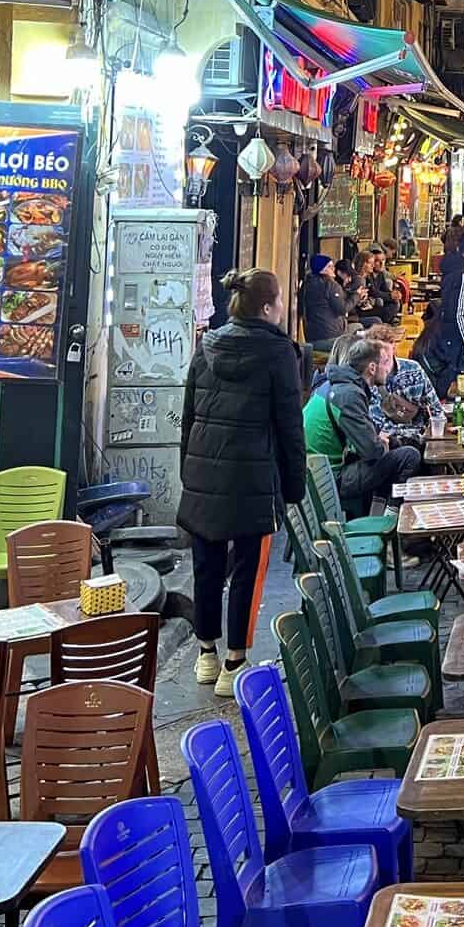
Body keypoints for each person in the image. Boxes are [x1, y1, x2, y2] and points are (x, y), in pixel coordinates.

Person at [178, 268, 305, 697]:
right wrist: (294, 486)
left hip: (203, 474)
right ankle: (235, 662)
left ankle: (205, 654)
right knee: (248, 572)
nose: (283, 307)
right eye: (281, 300)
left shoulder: (208, 344)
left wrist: (189, 473)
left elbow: (189, 414)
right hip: (253, 477)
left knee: (206, 568)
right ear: (268, 307)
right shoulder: (278, 351)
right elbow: (290, 425)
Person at [306, 333, 421, 516]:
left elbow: (366, 433)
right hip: (328, 478)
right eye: (385, 361)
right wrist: (382, 442)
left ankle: (377, 514)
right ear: (372, 368)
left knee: (394, 448)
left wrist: (385, 441)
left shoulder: (337, 385)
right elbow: (372, 451)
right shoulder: (348, 395)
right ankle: (390, 521)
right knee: (409, 456)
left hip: (318, 471)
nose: (389, 368)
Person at [361, 322, 446, 449]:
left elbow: (436, 410)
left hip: (421, 437)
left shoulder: (414, 369)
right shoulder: (368, 379)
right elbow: (379, 425)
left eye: (387, 355)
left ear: (394, 347)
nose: (383, 358)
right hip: (391, 442)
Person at [432, 229, 464, 396]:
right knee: (463, 390)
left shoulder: (451, 271)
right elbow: (458, 313)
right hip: (459, 343)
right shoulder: (463, 276)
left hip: (451, 340)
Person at [299, 254, 346, 348]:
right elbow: (341, 309)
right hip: (329, 337)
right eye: (329, 266)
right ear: (321, 269)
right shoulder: (330, 285)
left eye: (333, 266)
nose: (333, 269)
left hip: (312, 336)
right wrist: (356, 295)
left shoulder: (308, 283)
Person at [364, 247, 401, 324]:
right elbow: (373, 292)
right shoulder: (367, 275)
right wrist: (390, 296)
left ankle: (388, 321)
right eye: (377, 261)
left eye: (383, 260)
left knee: (395, 303)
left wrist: (394, 295)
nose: (381, 263)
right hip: (368, 306)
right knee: (384, 307)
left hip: (377, 304)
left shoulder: (380, 274)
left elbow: (385, 289)